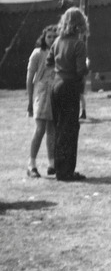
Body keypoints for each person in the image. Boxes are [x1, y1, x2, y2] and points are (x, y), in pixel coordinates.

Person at [47, 7, 90, 182]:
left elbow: (49, 61)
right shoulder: (78, 43)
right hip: (69, 86)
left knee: (59, 128)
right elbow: (81, 70)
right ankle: (67, 171)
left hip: (56, 84)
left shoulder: (57, 41)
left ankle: (59, 168)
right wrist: (86, 65)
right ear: (80, 24)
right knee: (70, 128)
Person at [25, 24, 58, 178]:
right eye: (49, 36)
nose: (52, 39)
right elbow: (30, 78)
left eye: (54, 36)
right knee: (40, 130)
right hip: (42, 93)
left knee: (52, 130)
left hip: (55, 93)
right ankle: (31, 164)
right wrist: (30, 101)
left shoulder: (58, 52)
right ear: (44, 38)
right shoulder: (37, 53)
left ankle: (52, 164)